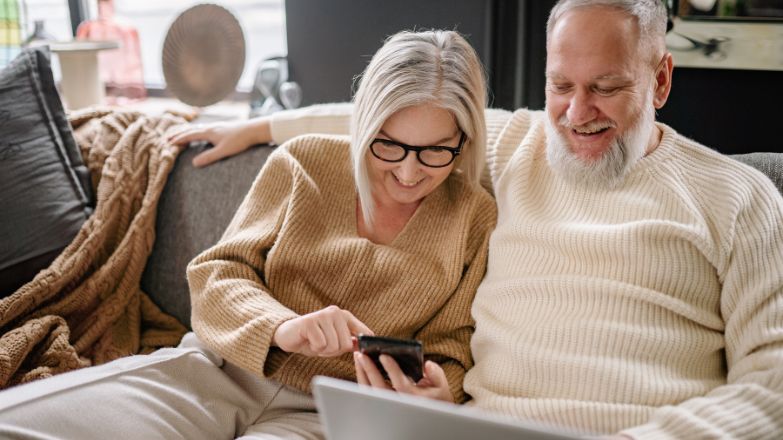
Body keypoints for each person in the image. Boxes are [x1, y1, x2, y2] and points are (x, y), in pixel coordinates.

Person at [174, 1, 783, 439]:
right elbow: (394, 115)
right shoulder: (519, 144)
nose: (577, 114)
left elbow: (773, 385)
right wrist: (256, 127)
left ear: (660, 80)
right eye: (560, 85)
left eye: (606, 87)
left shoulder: (740, 198)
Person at [0, 30, 496, 439]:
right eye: (389, 146)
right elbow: (218, 275)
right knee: (19, 424)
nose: (409, 173)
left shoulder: (473, 216)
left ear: (463, 141)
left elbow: (452, 345)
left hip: (326, 417)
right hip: (216, 372)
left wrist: (440, 394)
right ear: (364, 125)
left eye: (435, 152)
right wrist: (282, 327)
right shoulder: (304, 162)